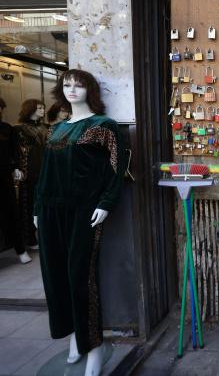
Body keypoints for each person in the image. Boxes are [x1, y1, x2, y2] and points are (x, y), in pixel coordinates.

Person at [34, 69, 125, 376]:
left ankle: (94, 348)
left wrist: (106, 203)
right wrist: (37, 207)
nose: (72, 89)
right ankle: (74, 338)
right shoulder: (56, 129)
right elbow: (44, 172)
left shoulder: (103, 127)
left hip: (83, 212)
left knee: (79, 278)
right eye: (67, 84)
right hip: (49, 210)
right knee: (56, 277)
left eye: (79, 85)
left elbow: (118, 167)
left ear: (90, 89)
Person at [0, 97, 31, 263]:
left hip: (4, 175)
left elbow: (14, 151)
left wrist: (17, 167)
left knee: (12, 211)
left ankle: (20, 249)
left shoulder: (7, 129)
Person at [15, 99, 48, 248]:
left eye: (43, 108)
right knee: (28, 205)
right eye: (39, 108)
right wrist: (16, 168)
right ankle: (29, 239)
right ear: (31, 109)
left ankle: (43, 236)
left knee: (43, 205)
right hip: (28, 171)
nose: (43, 110)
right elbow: (16, 152)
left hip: (45, 170)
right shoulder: (19, 129)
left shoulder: (45, 128)